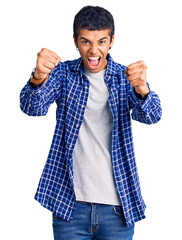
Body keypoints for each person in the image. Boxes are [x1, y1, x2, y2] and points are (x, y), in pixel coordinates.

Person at [20, 5, 162, 240]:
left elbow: (152, 116)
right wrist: (37, 76)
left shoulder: (124, 77)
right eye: (86, 42)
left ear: (111, 41)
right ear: (75, 41)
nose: (94, 51)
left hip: (117, 208)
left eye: (102, 42)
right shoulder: (63, 74)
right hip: (69, 206)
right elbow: (32, 108)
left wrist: (142, 89)